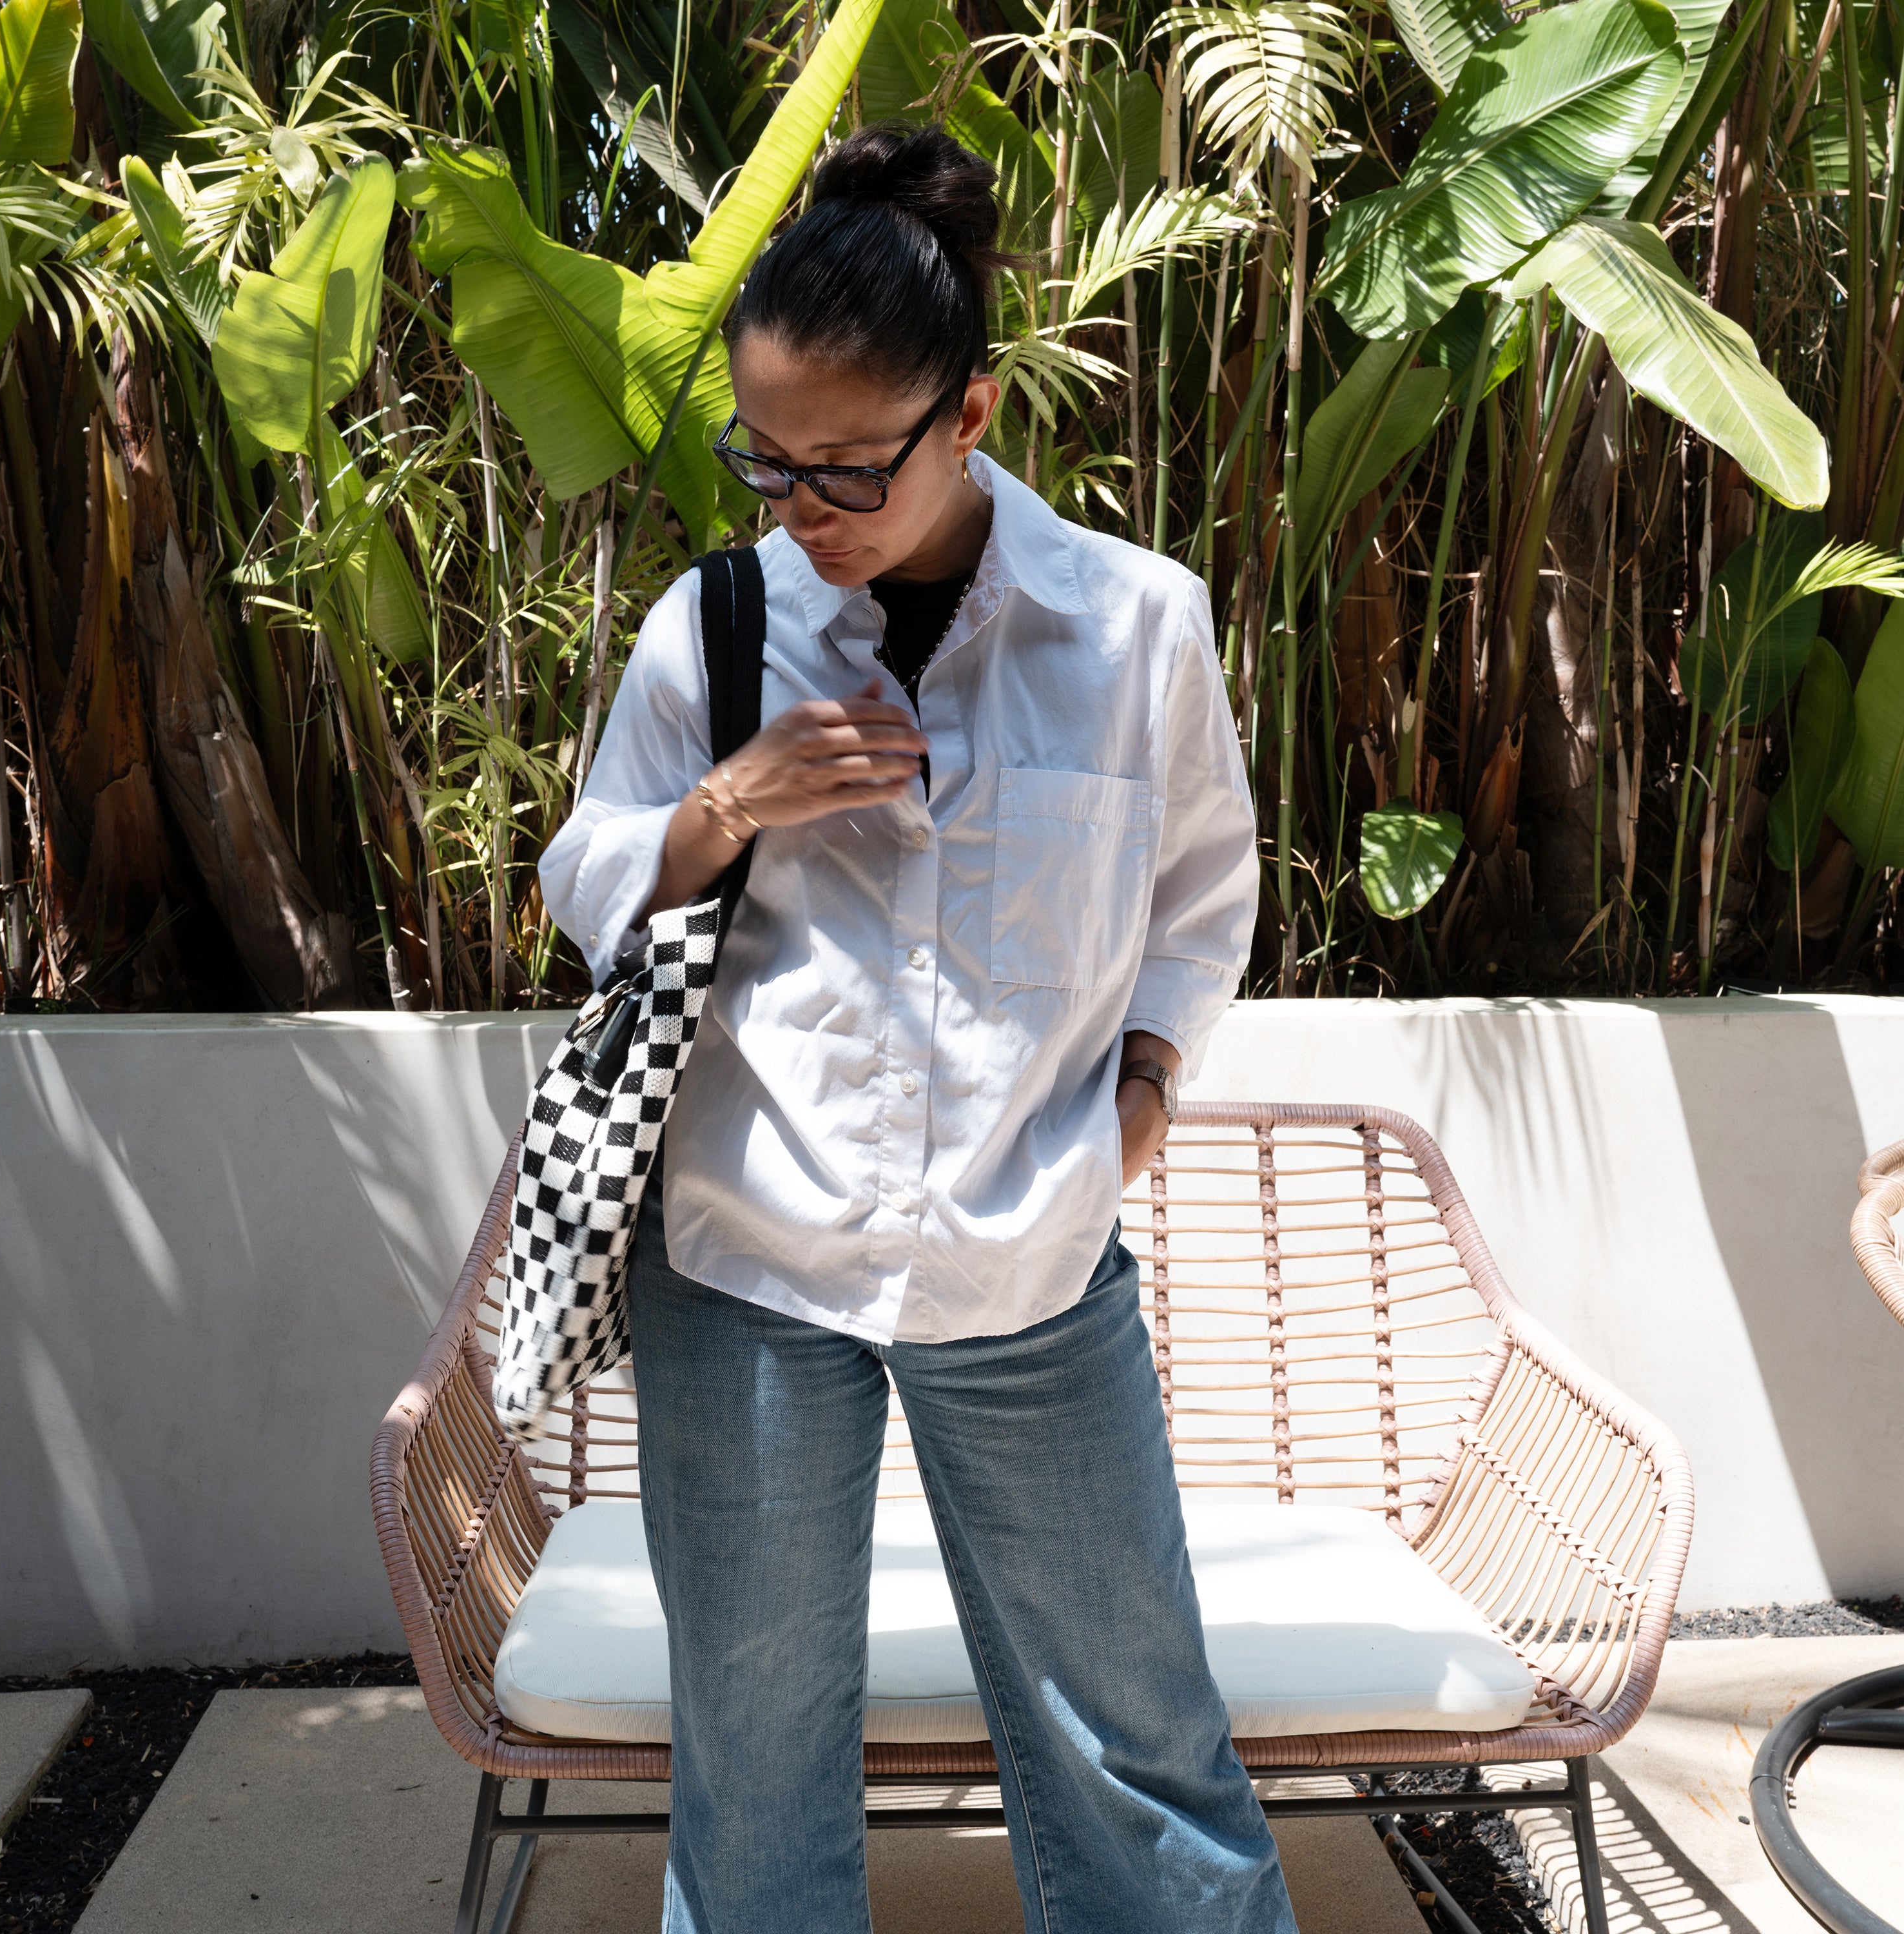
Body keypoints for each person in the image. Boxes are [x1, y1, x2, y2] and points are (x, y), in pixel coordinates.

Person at [539, 123, 1287, 1934]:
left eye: (847, 469)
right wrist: (734, 798)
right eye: (766, 459)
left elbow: (1202, 892)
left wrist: (1147, 1091)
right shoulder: (717, 628)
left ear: (972, 413)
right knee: (754, 1763)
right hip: (748, 1255)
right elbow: (586, 879)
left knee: (1137, 1742)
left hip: (1031, 1252)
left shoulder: (1135, 626)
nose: (802, 508)